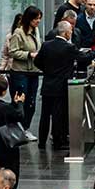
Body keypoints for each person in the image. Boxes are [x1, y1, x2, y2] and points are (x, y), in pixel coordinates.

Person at [33, 20, 81, 151]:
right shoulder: (69, 47)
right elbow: (84, 58)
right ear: (66, 33)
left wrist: (47, 70)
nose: (71, 33)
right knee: (57, 115)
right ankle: (58, 141)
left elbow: (37, 61)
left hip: (47, 84)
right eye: (70, 31)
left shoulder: (46, 45)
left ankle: (41, 142)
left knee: (45, 115)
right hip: (61, 86)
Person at [6, 6, 42, 138]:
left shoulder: (36, 31)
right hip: (20, 71)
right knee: (20, 101)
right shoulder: (18, 33)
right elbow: (13, 52)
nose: (38, 21)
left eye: (39, 18)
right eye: (36, 18)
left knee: (31, 101)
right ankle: (17, 129)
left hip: (34, 71)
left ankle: (25, 127)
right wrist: (29, 55)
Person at [0, 77, 25, 186]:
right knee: (12, 168)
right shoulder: (5, 108)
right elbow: (19, 116)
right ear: (4, 91)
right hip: (8, 142)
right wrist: (20, 103)